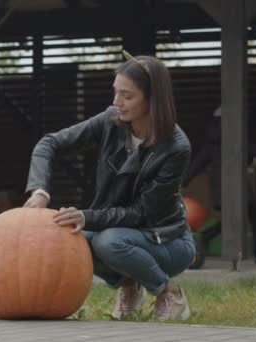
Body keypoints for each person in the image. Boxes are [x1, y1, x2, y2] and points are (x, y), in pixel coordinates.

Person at [24, 51, 195, 321]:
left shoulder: (176, 147)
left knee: (107, 241)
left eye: (128, 96)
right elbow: (49, 144)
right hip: (120, 232)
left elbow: (141, 213)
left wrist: (86, 216)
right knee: (71, 239)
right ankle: (130, 286)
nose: (117, 102)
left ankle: (168, 293)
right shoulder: (110, 121)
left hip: (166, 241)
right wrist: (40, 191)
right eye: (116, 92)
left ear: (153, 99)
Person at [182, 107, 256, 264]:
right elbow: (251, 148)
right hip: (238, 188)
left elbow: (197, 163)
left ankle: (208, 236)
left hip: (221, 190)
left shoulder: (211, 145)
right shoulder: (233, 140)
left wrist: (183, 181)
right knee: (252, 217)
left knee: (239, 219)